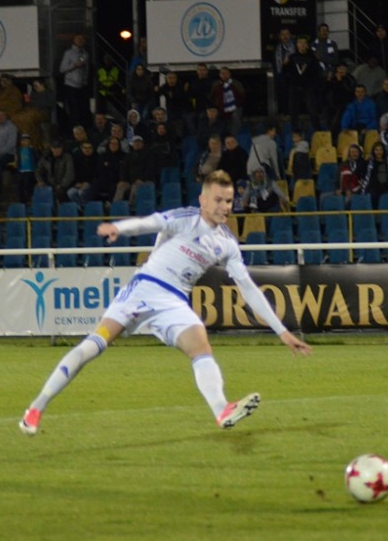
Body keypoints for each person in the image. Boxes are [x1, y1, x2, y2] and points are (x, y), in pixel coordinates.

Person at [19, 170, 311, 436]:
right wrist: (119, 228)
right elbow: (151, 222)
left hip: (174, 302)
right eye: (218, 200)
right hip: (144, 288)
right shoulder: (186, 219)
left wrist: (282, 331)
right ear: (203, 200)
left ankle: (222, 409)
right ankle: (36, 408)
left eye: (229, 201)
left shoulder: (227, 244)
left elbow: (248, 288)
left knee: (200, 346)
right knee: (93, 346)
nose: (225, 206)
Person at [59, 33, 90, 130]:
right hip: (70, 85)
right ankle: (73, 131)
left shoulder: (85, 54)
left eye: (82, 39)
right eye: (78, 39)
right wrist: (74, 66)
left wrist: (85, 80)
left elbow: (86, 69)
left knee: (83, 110)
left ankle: (83, 130)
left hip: (82, 86)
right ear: (74, 40)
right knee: (73, 110)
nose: (80, 41)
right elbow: (62, 69)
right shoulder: (68, 53)